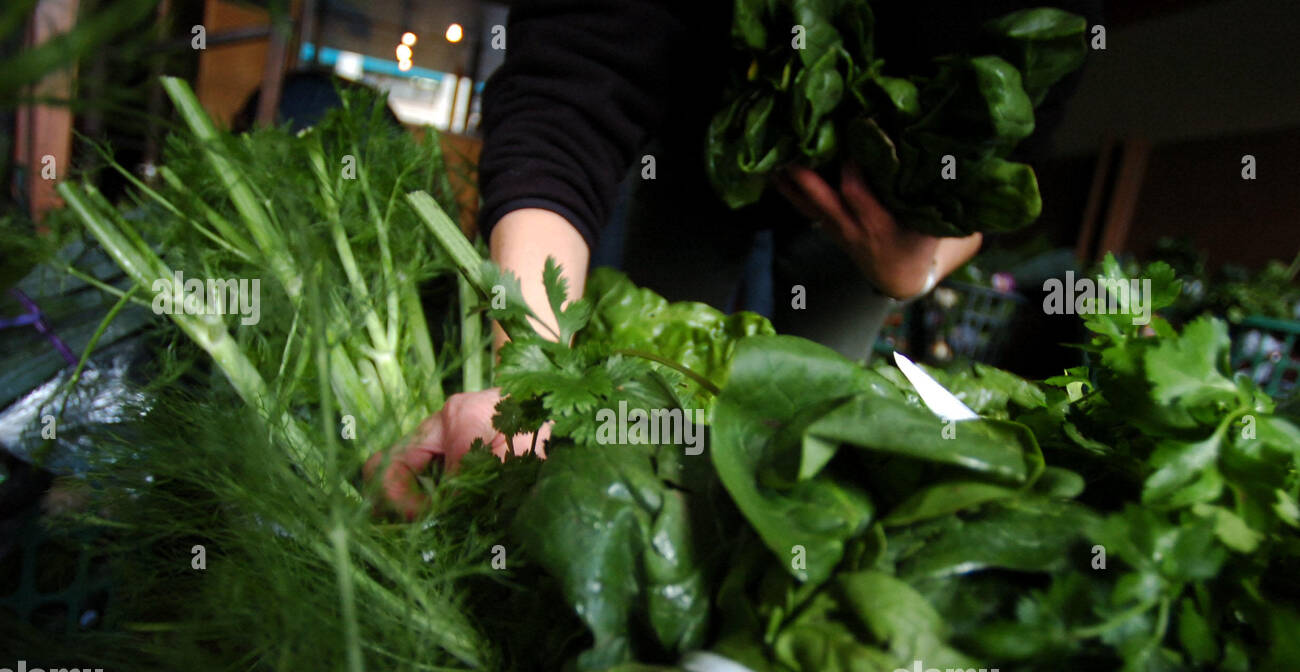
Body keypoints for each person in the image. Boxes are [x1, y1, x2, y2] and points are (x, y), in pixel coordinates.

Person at [367, 0, 1098, 517]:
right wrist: (525, 385)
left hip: (890, 221)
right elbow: (571, 86)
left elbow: (1015, 153)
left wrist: (917, 268)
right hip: (700, 157)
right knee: (653, 410)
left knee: (814, 432)